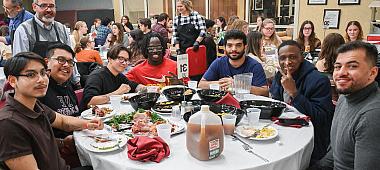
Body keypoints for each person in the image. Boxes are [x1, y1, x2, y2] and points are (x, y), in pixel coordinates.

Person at [0, 52, 103, 170]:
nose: (42, 80)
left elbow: (63, 121)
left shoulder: (35, 105)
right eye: (31, 75)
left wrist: (89, 124)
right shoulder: (8, 123)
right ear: (13, 81)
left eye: (43, 73)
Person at [310, 41, 380, 170]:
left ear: (372, 73)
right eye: (337, 67)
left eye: (352, 66)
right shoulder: (344, 97)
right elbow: (336, 153)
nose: (341, 73)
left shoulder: (372, 116)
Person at [270, 40, 334, 164]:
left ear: (302, 58)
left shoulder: (319, 80)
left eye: (292, 57)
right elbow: (276, 105)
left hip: (310, 142)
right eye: (282, 58)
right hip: (283, 134)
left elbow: (321, 118)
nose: (287, 62)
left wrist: (294, 93)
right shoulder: (279, 76)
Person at [12, 0, 81, 88]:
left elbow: (70, 58)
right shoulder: (24, 30)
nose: (48, 10)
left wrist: (76, 81)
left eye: (51, 6)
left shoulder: (61, 29)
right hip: (36, 87)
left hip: (61, 85)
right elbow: (20, 65)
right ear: (34, 7)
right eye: (43, 6)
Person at [38, 44, 82, 167]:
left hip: (80, 143)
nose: (67, 65)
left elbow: (76, 116)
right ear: (47, 62)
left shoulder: (67, 85)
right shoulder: (40, 90)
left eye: (70, 62)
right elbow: (36, 137)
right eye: (61, 60)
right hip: (56, 156)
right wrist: (62, 143)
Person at [198, 30, 268, 96]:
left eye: (238, 45)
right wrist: (222, 84)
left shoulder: (255, 65)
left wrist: (237, 84)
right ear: (225, 47)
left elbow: (265, 92)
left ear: (245, 47)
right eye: (229, 45)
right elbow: (201, 84)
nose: (234, 49)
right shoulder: (218, 62)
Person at [81, 44, 144, 110]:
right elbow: (90, 101)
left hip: (112, 112)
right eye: (121, 58)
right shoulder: (96, 76)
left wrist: (149, 88)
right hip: (92, 116)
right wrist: (117, 93)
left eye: (126, 60)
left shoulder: (119, 76)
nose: (124, 63)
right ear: (110, 59)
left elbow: (134, 86)